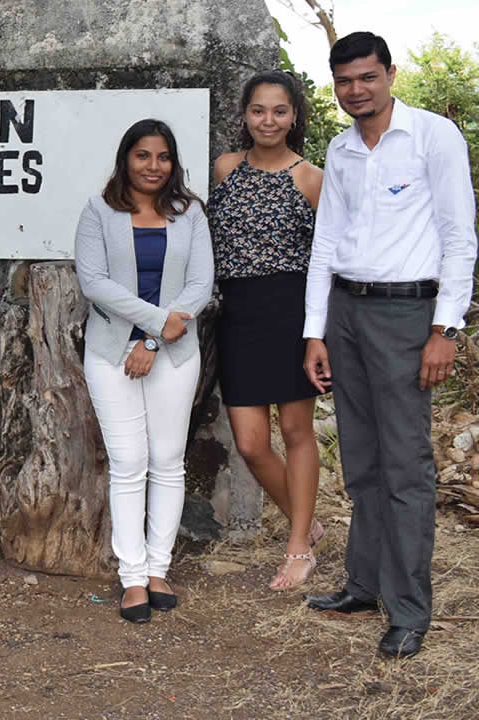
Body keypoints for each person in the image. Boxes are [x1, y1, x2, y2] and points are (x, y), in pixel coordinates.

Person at [301, 32, 476, 659]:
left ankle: (408, 610)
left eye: (367, 78)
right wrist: (314, 331)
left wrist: (444, 328)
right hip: (346, 310)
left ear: (390, 74)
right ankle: (364, 584)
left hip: (408, 314)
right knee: (361, 457)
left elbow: (460, 237)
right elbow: (326, 244)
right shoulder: (342, 149)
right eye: (345, 81)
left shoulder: (432, 137)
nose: (356, 91)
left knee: (405, 467)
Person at [74, 119, 214, 624]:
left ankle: (159, 568)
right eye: (143, 156)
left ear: (173, 163)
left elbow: (200, 283)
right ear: (126, 160)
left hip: (173, 354)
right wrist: (154, 324)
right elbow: (94, 283)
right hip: (112, 351)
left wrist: (154, 340)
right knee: (129, 461)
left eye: (163, 157)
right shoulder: (100, 210)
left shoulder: (190, 212)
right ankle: (132, 577)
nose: (153, 166)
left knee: (168, 458)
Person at [207, 71, 326, 591]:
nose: (268, 121)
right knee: (252, 444)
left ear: (294, 116)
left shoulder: (311, 178)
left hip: (292, 314)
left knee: (297, 433)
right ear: (245, 115)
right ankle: (308, 520)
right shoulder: (225, 169)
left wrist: (318, 332)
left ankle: (299, 547)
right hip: (237, 315)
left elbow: (326, 260)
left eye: (279, 111)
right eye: (259, 110)